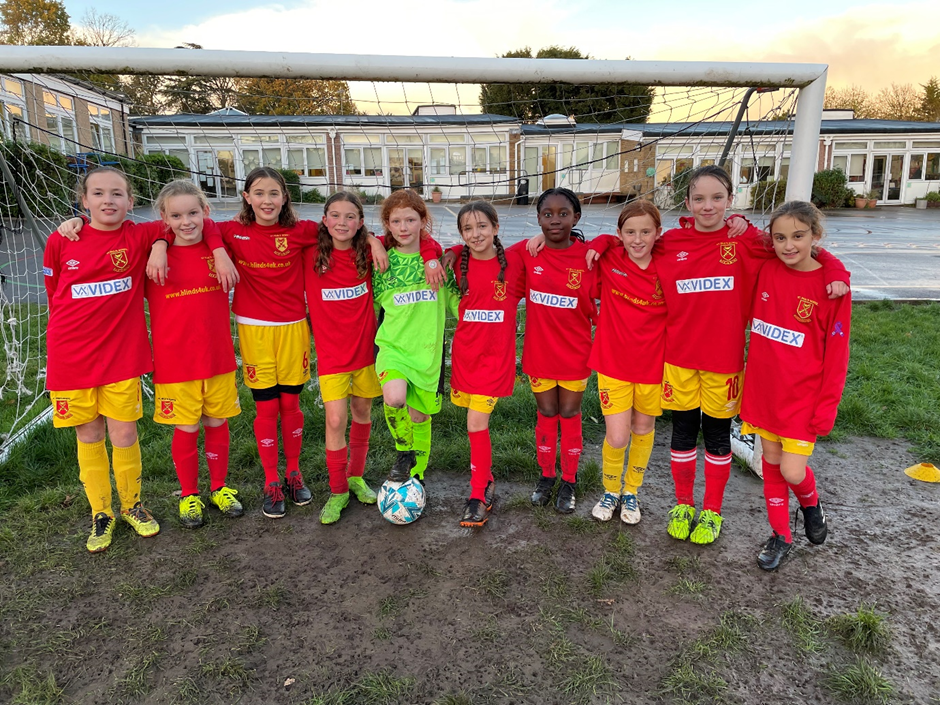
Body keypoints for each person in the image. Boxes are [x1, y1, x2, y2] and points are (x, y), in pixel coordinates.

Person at [644, 166, 849, 545]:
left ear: (731, 199)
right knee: (683, 435)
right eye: (700, 199)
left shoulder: (748, 241)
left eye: (717, 198)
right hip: (678, 360)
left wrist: (837, 270)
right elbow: (628, 242)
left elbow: (802, 246)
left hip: (725, 362)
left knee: (718, 438)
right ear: (686, 202)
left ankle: (712, 512)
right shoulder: (669, 242)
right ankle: (683, 504)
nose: (709, 206)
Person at [44, 167, 165, 552]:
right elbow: (53, 290)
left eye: (117, 194)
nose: (107, 200)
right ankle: (101, 513)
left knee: (125, 434)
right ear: (84, 201)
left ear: (131, 203)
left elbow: (175, 221)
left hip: (121, 358)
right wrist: (73, 224)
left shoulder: (138, 235)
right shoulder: (61, 241)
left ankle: (132, 505)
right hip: (71, 358)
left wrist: (159, 245)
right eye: (98, 194)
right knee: (89, 434)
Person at [739, 201, 851, 570]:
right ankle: (781, 536)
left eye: (798, 237)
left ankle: (811, 502)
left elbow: (837, 356)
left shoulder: (832, 288)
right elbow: (742, 236)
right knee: (771, 464)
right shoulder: (767, 268)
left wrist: (827, 407)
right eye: (780, 238)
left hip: (803, 398)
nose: (788, 245)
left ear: (815, 236)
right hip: (763, 390)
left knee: (791, 471)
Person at [146, 181, 243, 529]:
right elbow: (128, 232)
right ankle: (189, 493)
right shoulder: (153, 252)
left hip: (217, 357)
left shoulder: (218, 245)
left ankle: (219, 487)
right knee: (187, 427)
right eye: (175, 215)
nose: (185, 221)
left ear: (205, 211)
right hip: (176, 363)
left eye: (193, 212)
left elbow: (220, 227)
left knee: (217, 422)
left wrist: (217, 249)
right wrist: (160, 241)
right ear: (163, 217)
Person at [304, 192, 383, 524]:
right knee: (336, 420)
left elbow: (418, 239)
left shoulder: (366, 253)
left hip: (366, 351)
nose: (342, 222)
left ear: (361, 223)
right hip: (333, 355)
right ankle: (337, 490)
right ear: (324, 220)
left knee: (362, 412)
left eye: (350, 217)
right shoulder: (310, 254)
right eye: (334, 215)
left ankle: (355, 476)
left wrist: (375, 242)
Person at [586, 200, 666, 525]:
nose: (637, 239)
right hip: (613, 363)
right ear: (619, 234)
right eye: (630, 232)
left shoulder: (669, 264)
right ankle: (610, 490)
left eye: (645, 231)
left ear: (657, 233)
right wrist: (600, 241)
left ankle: (632, 491)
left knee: (643, 428)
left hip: (654, 366)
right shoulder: (609, 258)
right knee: (618, 437)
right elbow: (571, 249)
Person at [518, 188, 597, 514]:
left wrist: (601, 243)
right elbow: (484, 249)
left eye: (563, 213)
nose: (554, 220)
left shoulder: (590, 258)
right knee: (547, 415)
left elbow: (624, 245)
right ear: (538, 219)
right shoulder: (528, 253)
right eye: (547, 214)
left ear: (576, 217)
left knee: (569, 414)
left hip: (575, 356)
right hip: (539, 355)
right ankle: (547, 476)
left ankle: (570, 480)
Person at [448, 202, 524, 527]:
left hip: (495, 361)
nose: (475, 234)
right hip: (465, 356)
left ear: (495, 227)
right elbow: (427, 251)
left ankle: (478, 494)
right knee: (474, 426)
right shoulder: (455, 263)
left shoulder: (515, 265)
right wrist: (446, 252)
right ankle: (488, 479)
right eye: (468, 229)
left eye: (482, 226)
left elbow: (545, 250)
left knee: (476, 423)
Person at [372, 189, 452, 492]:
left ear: (422, 221)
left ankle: (416, 475)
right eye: (396, 221)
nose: (403, 227)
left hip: (428, 353)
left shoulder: (436, 263)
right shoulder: (382, 262)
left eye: (410, 219)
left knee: (419, 416)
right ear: (387, 225)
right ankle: (403, 452)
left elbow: (456, 300)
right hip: (393, 347)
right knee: (394, 398)